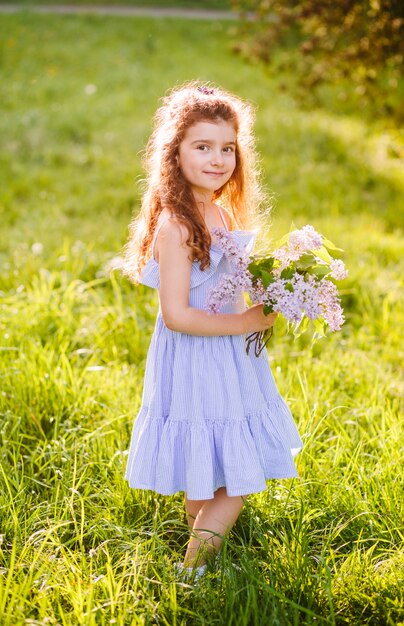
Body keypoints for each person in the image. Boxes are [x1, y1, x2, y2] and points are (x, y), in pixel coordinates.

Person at [122, 81, 303, 580]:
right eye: (202, 146)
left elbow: (228, 285)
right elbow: (177, 313)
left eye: (227, 148)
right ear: (174, 153)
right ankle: (195, 571)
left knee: (207, 464)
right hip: (198, 352)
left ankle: (199, 547)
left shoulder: (219, 212)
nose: (218, 158)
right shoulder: (177, 225)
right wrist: (245, 321)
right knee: (241, 475)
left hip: (227, 353)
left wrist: (273, 291)